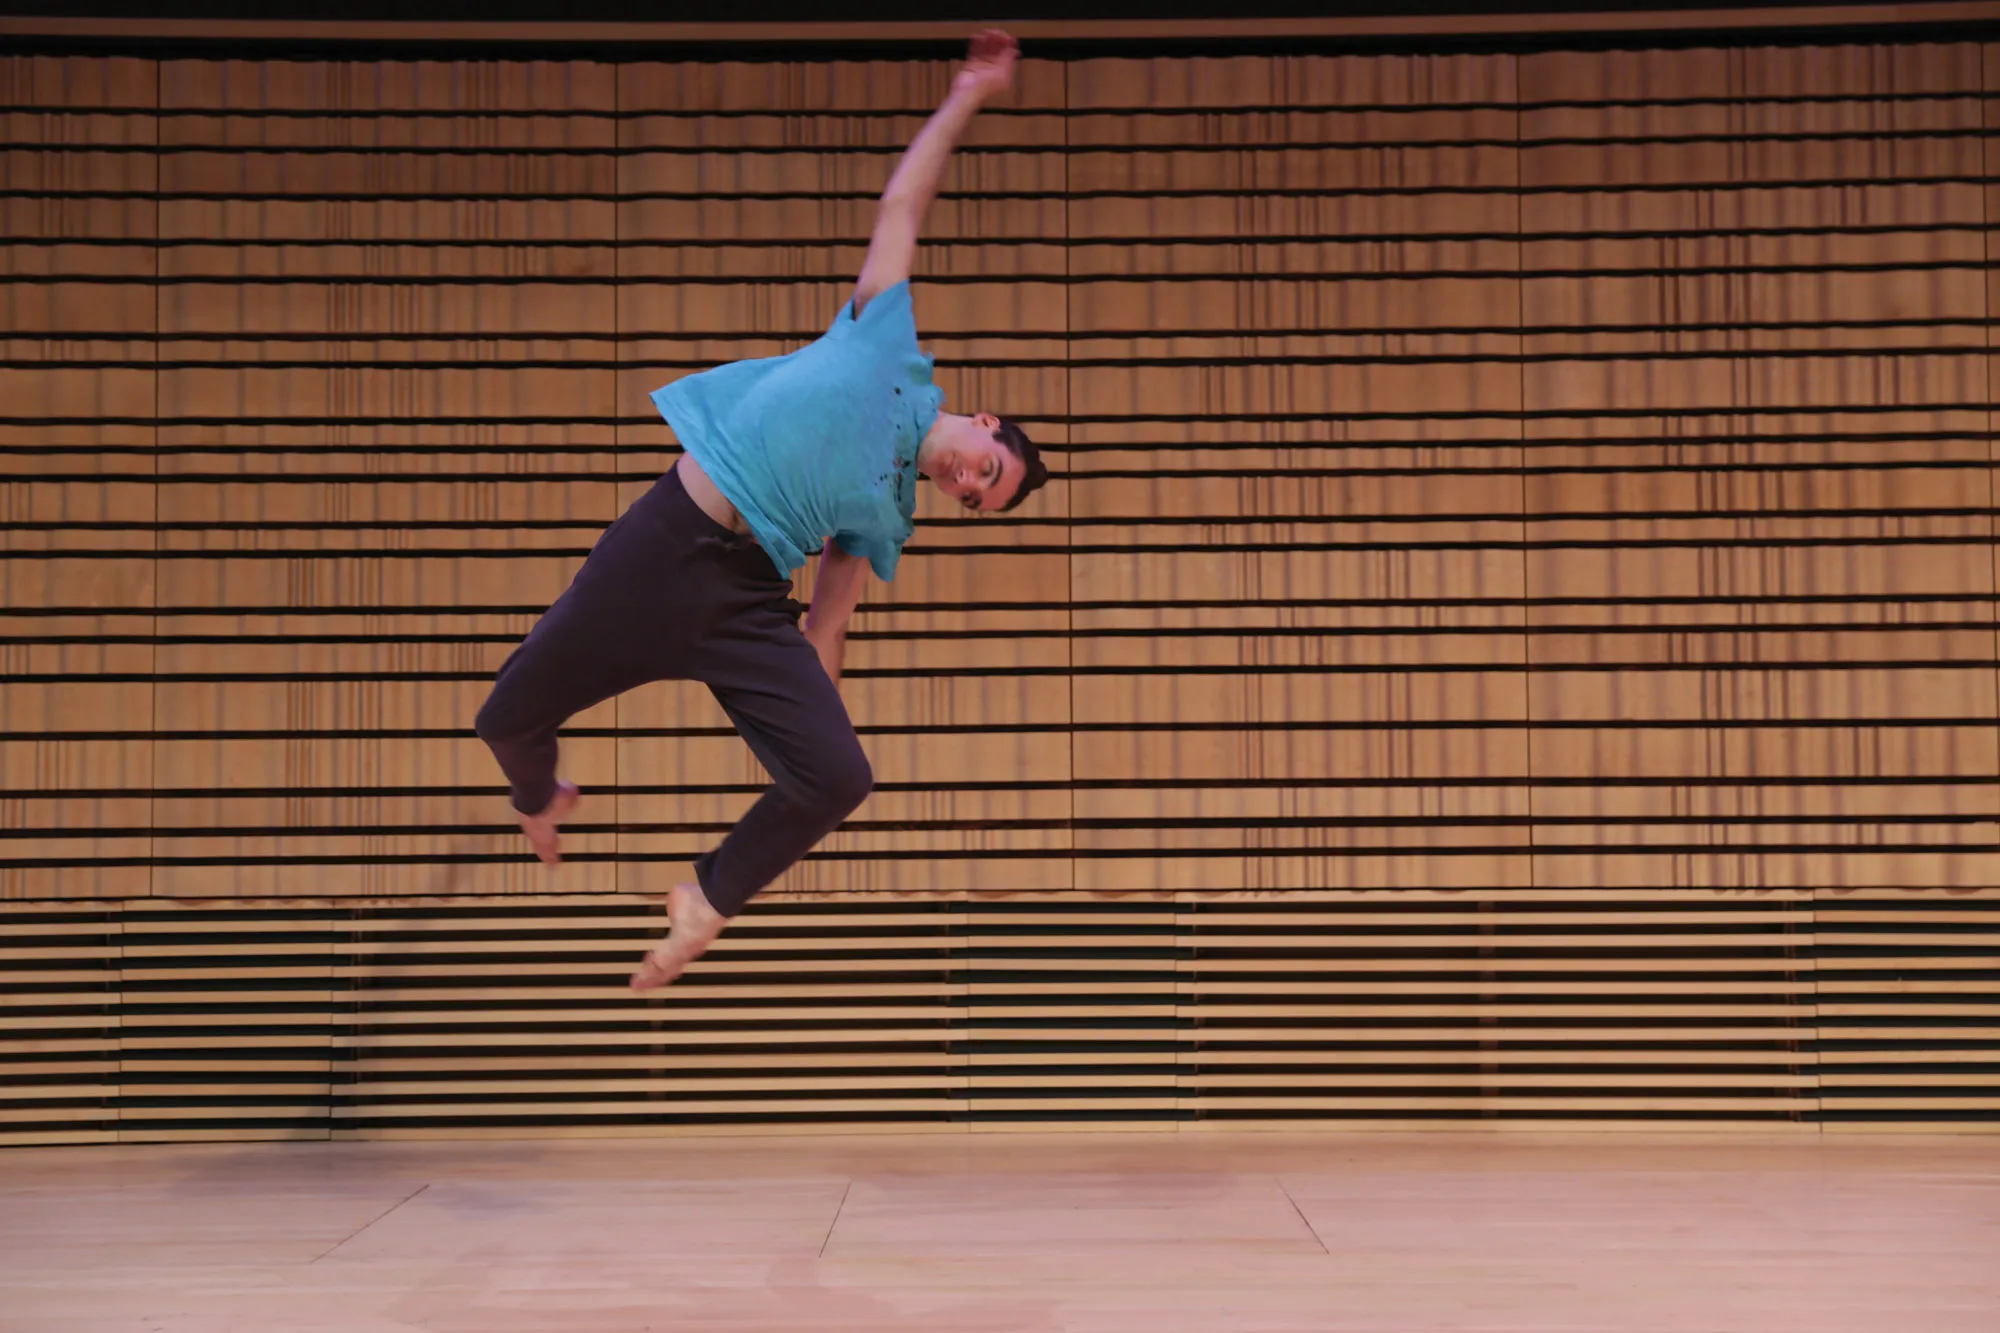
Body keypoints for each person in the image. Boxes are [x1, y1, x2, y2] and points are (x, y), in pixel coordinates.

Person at [472, 28, 1048, 994]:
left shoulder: (886, 517)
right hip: (667, 543)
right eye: (988, 469)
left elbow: (828, 623)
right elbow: (905, 202)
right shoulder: (889, 340)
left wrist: (806, 711)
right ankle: (544, 797)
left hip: (742, 597)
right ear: (986, 423)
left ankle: (707, 896)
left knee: (837, 775)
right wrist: (968, 95)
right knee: (505, 718)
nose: (968, 487)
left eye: (979, 500)